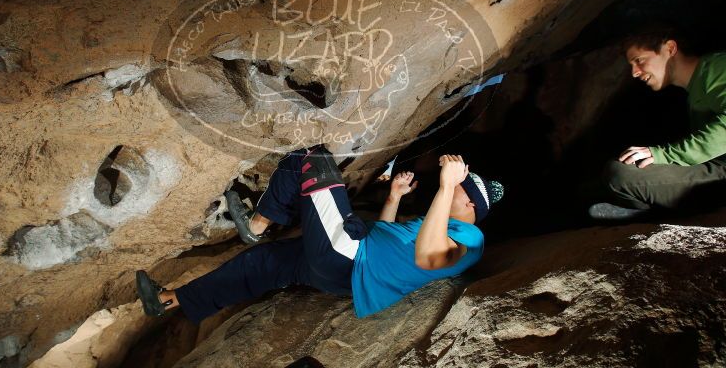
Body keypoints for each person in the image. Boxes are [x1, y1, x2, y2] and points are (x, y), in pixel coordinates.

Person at [135, 147, 503, 322]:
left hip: (349, 258)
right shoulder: (441, 224)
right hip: (343, 266)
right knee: (259, 264)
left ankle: (257, 224)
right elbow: (391, 238)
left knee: (313, 160)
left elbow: (427, 257)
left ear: (470, 204)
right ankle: (169, 300)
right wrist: (392, 197)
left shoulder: (472, 240)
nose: (456, 185)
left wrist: (445, 185)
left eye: (462, 186)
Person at [589, 24, 726, 219]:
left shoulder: (717, 67)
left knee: (620, 174)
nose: (634, 72)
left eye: (639, 60)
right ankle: (644, 212)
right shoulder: (695, 88)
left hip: (721, 176)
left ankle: (647, 216)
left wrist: (665, 155)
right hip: (716, 172)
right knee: (602, 180)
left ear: (670, 48)